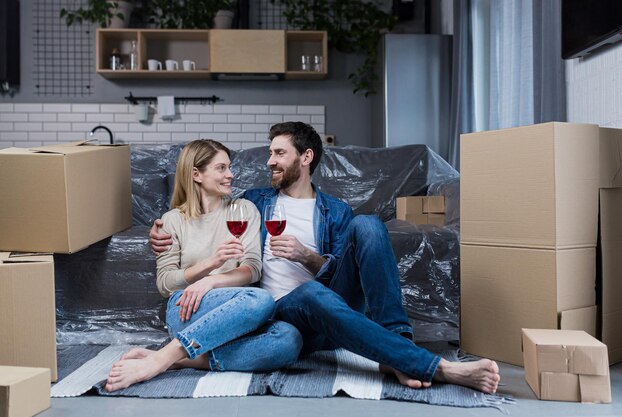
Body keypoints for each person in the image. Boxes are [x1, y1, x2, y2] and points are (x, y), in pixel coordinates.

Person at [151, 123, 500, 394]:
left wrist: (307, 257)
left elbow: (344, 273)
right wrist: (160, 233)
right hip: (279, 313)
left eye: (279, 154)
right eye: (270, 153)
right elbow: (205, 208)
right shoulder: (251, 202)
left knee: (367, 226)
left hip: (331, 306)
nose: (269, 161)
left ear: (305, 158)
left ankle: (399, 348)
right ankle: (425, 365)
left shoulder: (335, 211)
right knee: (308, 296)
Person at [105, 139, 302, 392]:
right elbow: (165, 284)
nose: (230, 175)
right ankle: (163, 358)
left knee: (289, 338)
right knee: (261, 300)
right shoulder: (172, 221)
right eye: (221, 168)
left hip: (239, 311)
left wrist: (211, 281)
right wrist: (210, 264)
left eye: (230, 168)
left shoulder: (244, 210)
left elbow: (252, 269)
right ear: (196, 174)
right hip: (187, 310)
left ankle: (180, 360)